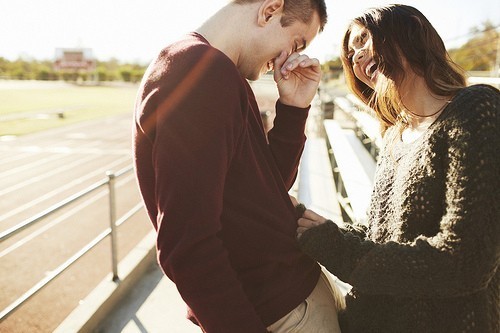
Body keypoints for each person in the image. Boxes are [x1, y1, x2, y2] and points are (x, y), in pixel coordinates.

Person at [133, 1, 344, 332]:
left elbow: (266, 189)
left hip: (290, 302)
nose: (286, 59)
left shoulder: (218, 73)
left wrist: (294, 107)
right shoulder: (200, 71)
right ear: (269, 10)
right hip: (279, 312)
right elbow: (187, 244)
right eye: (296, 43)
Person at [297, 4, 499, 333]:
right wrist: (315, 230)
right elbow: (381, 232)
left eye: (364, 40)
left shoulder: (475, 109)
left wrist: (337, 247)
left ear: (412, 28)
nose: (357, 57)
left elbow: (465, 261)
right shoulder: (394, 137)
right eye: (350, 54)